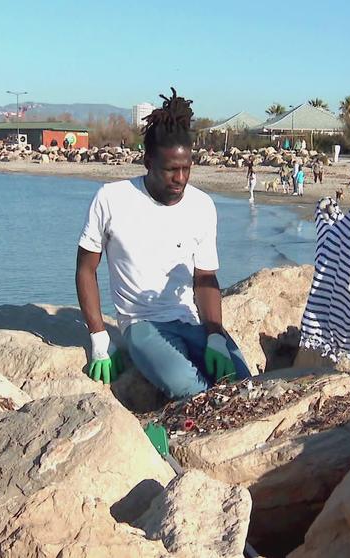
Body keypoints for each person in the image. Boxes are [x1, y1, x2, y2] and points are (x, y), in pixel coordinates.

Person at [75, 88, 251, 399]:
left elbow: (205, 277)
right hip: (141, 324)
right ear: (147, 162)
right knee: (187, 387)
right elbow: (86, 269)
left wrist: (214, 334)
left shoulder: (202, 206)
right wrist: (99, 336)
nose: (180, 178)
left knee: (244, 385)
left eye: (186, 168)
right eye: (171, 169)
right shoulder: (112, 199)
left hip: (190, 321)